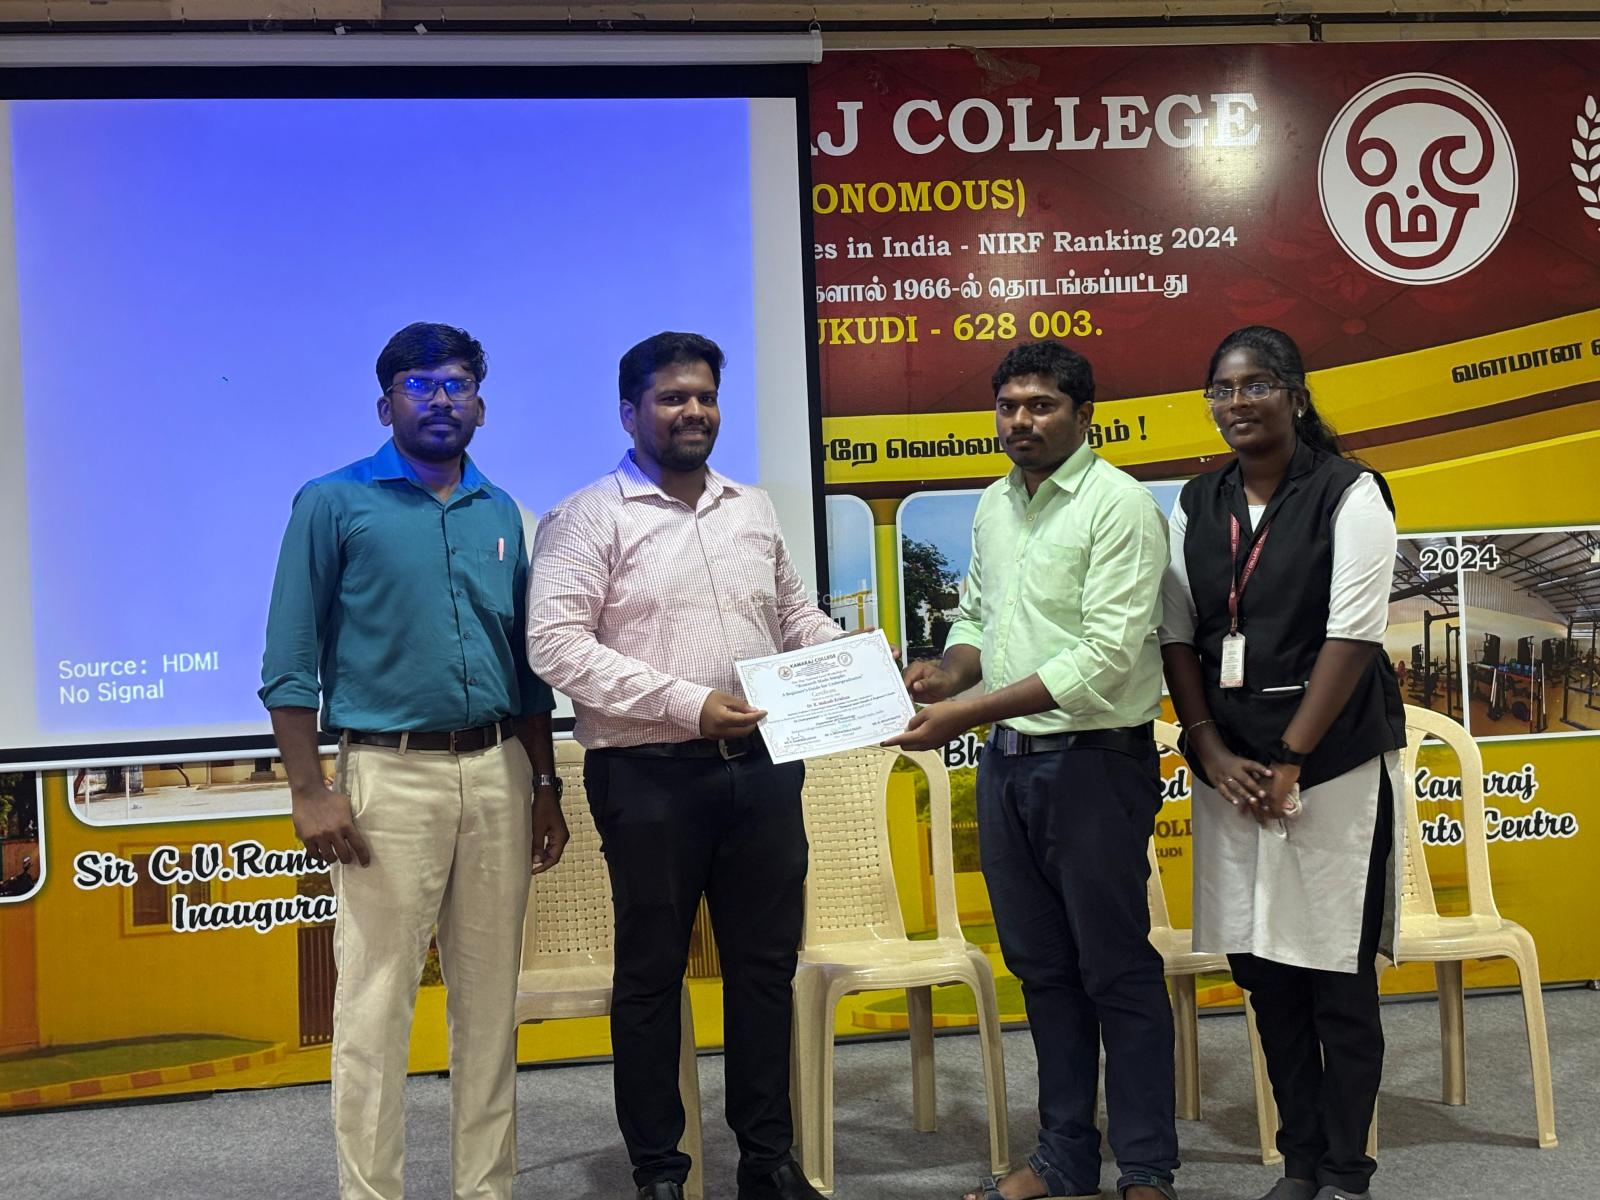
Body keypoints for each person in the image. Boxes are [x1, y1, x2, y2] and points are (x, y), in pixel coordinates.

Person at [527, 331, 843, 1200]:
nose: (693, 411)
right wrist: (686, 703)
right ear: (629, 412)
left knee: (763, 970)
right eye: (672, 398)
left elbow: (793, 617)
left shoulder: (752, 507)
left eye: (704, 396)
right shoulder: (587, 516)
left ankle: (767, 1164)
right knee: (652, 976)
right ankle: (660, 1172)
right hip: (648, 776)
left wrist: (854, 665)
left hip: (763, 771)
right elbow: (555, 644)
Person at [260, 321, 568, 1200]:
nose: (441, 400)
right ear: (385, 404)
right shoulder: (332, 502)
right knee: (374, 1005)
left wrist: (545, 785)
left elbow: (526, 673)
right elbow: (289, 660)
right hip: (386, 778)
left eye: (457, 383)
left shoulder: (501, 512)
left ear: (481, 405)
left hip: (499, 772)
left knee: (489, 1007)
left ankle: (487, 1189)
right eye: (420, 385)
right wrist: (309, 789)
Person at [887, 341, 1179, 1200]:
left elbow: (1105, 656)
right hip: (1008, 768)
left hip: (1094, 765)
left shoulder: (1120, 506)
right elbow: (976, 615)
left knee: (1115, 969)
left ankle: (1147, 1166)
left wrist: (966, 713)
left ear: (1084, 415)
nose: (1021, 420)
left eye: (1042, 405)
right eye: (1009, 405)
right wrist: (948, 676)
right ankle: (1063, 1158)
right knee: (1043, 970)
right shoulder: (994, 503)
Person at [1158, 325, 1405, 1200]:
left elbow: (1353, 637)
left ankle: (1346, 1171)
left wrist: (1293, 757)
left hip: (1331, 770)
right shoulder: (1197, 502)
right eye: (1223, 389)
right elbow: (1176, 634)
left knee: (1335, 974)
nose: (1238, 402)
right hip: (1231, 771)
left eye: (1257, 384)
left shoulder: (1350, 492)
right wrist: (1209, 747)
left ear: (1296, 396)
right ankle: (1300, 1162)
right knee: (1264, 975)